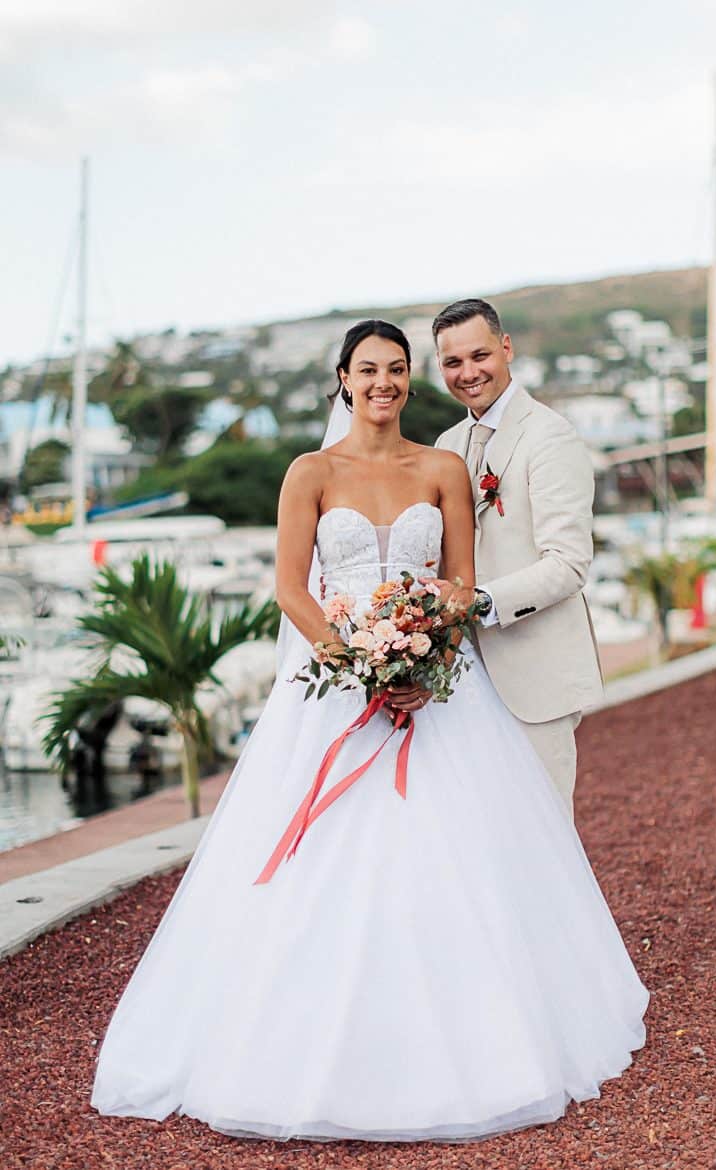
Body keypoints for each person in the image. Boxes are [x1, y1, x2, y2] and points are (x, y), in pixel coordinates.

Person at [91, 319, 647, 1143]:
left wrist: (421, 667)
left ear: (408, 379)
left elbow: (459, 582)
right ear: (343, 379)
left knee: (461, 856)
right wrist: (357, 666)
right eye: (368, 370)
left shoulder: (445, 467)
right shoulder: (309, 472)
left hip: (443, 694)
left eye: (397, 369)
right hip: (336, 696)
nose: (383, 382)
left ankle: (482, 1029)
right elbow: (292, 588)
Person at [391, 299, 602, 822]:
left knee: (543, 830)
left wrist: (478, 602)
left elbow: (569, 563)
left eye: (479, 355)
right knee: (478, 830)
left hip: (535, 674)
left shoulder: (550, 437)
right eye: (452, 362)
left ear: (506, 348)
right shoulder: (447, 444)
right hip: (461, 680)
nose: (468, 373)